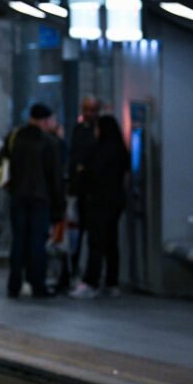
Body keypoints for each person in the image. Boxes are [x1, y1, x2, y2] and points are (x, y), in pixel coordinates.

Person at [0, 103, 64, 298]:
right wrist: (59, 208)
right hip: (40, 199)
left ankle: (14, 284)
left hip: (17, 197)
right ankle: (37, 284)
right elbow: (55, 178)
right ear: (45, 121)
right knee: (37, 242)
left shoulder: (14, 137)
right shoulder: (49, 142)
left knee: (18, 240)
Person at [70, 114, 130, 299]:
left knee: (95, 241)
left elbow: (92, 174)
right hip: (116, 200)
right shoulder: (121, 150)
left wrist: (82, 173)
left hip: (99, 201)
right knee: (111, 242)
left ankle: (91, 281)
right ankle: (112, 282)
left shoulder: (101, 150)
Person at [68, 96, 100, 276]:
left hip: (92, 191)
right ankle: (75, 266)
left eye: (92, 110)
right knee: (77, 231)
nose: (88, 114)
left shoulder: (98, 131)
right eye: (86, 109)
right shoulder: (79, 130)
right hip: (79, 189)